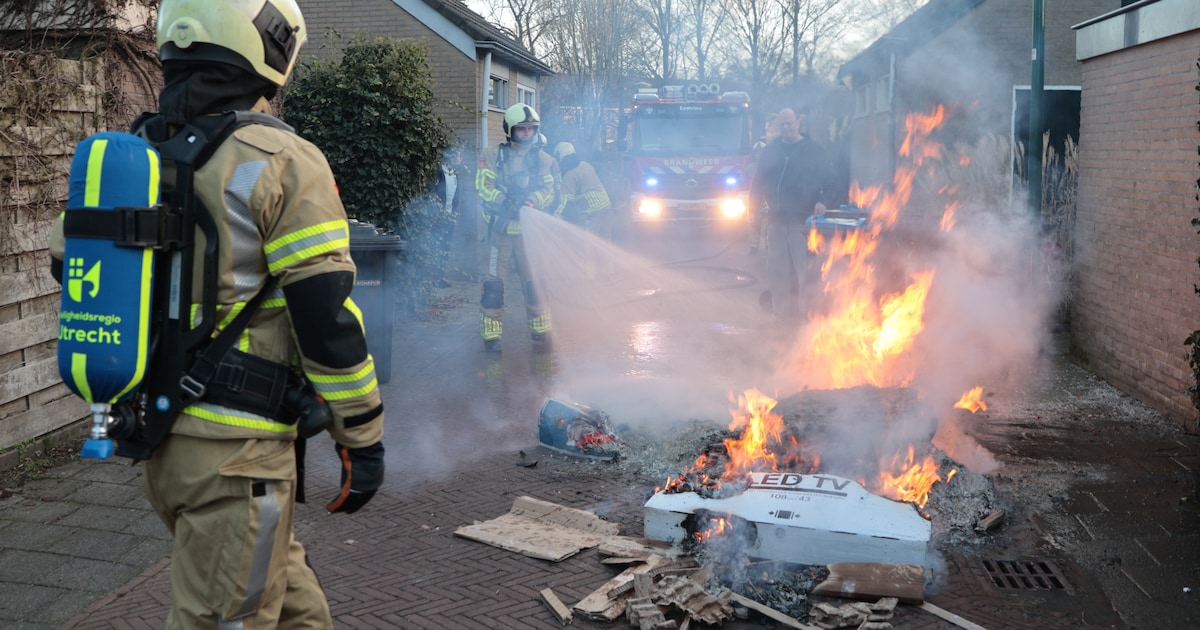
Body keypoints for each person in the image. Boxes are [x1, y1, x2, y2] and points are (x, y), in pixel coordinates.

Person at [48, 1, 385, 627]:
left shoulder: (133, 157)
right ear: (270, 47)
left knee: (290, 604)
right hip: (239, 459)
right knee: (227, 617)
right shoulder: (281, 159)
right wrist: (361, 435)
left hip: (164, 441)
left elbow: (66, 265)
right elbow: (327, 316)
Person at [476, 104, 558, 352]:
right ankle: (492, 337)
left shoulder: (545, 159)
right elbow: (482, 185)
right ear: (509, 129)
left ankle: (541, 331)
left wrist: (532, 200)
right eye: (521, 129)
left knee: (535, 283)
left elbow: (550, 190)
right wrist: (503, 201)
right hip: (499, 232)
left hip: (528, 233)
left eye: (531, 129)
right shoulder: (491, 155)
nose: (526, 134)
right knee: (493, 285)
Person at [749, 107, 837, 320]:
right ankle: (779, 315)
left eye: (790, 123)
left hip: (802, 222)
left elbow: (833, 182)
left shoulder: (814, 151)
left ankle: (808, 316)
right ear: (778, 126)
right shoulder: (771, 151)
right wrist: (752, 208)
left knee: (805, 272)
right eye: (782, 124)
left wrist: (823, 201)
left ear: (798, 123)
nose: (786, 127)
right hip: (776, 220)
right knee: (776, 272)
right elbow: (758, 181)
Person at [553, 141, 613, 277]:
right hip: (606, 207)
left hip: (592, 212)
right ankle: (608, 275)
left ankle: (589, 278)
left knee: (588, 247)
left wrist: (554, 218)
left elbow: (565, 202)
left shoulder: (569, 176)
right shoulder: (585, 165)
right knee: (605, 243)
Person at [433, 146, 463, 288]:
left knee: (445, 246)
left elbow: (456, 194)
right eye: (457, 156)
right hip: (438, 216)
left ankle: (440, 277)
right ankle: (431, 278)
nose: (459, 159)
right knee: (436, 246)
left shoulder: (455, 173)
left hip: (449, 216)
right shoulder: (438, 172)